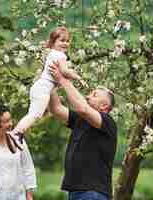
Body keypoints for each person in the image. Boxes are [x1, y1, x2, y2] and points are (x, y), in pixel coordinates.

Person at [48, 62, 118, 200]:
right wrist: (49, 80)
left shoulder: (107, 122)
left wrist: (63, 79)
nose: (87, 96)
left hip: (93, 192)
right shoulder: (81, 120)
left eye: (94, 95)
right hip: (76, 191)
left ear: (104, 106)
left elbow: (83, 108)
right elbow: (55, 109)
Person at [13, 26, 86, 136]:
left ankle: (17, 133)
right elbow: (65, 71)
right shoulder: (60, 55)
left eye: (67, 41)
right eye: (62, 40)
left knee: (34, 113)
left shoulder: (52, 53)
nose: (65, 43)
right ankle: (16, 133)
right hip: (43, 89)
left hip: (39, 87)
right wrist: (78, 77)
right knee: (35, 114)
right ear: (53, 42)